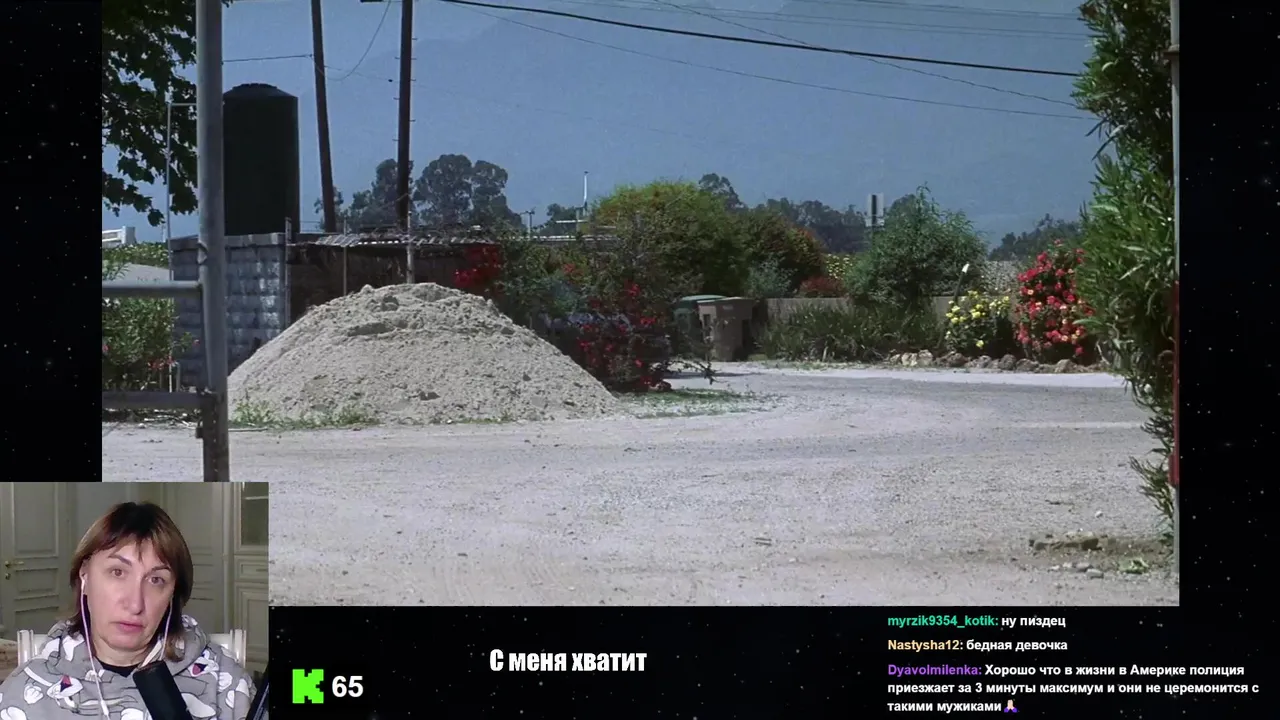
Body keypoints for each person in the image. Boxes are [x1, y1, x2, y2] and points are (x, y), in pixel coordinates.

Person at [0, 502, 256, 720]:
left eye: (156, 580)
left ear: (172, 594)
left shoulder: (224, 683)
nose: (135, 604)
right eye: (117, 572)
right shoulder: (23, 693)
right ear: (84, 575)